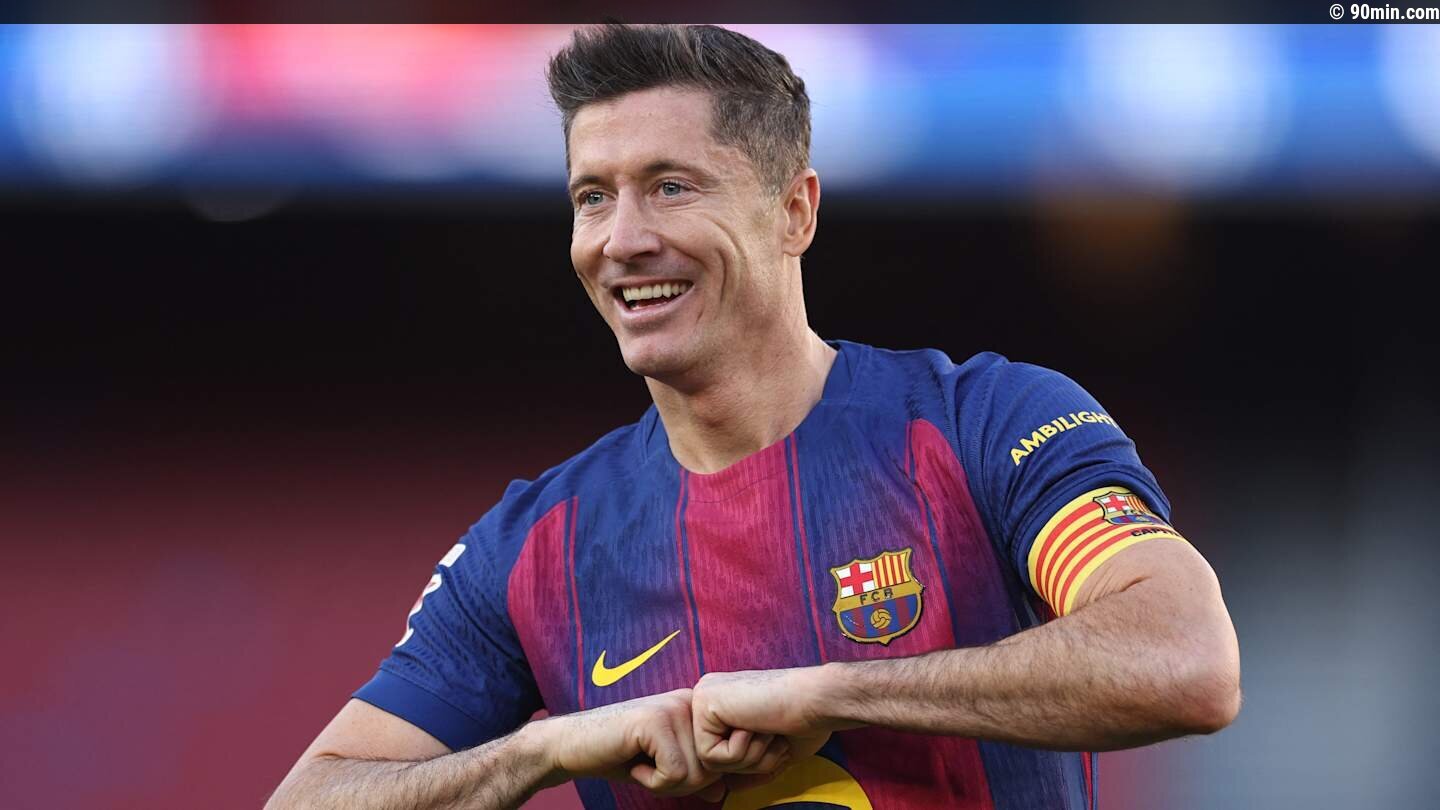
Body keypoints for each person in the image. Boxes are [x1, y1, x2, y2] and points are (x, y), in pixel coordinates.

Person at [268, 23, 1240, 810]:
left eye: (670, 186)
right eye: (592, 197)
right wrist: (548, 749)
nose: (621, 240)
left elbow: (1183, 659)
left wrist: (829, 691)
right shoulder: (533, 549)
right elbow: (317, 794)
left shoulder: (980, 423)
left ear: (794, 212)